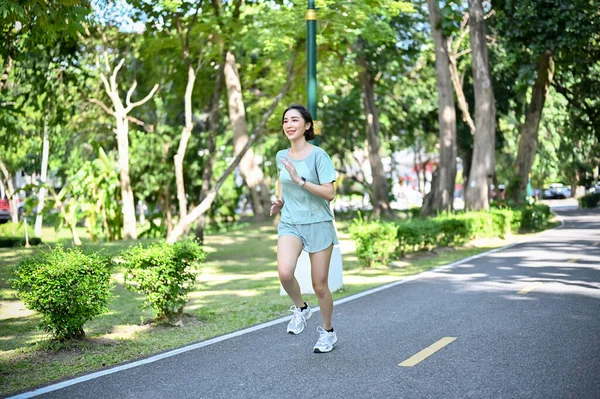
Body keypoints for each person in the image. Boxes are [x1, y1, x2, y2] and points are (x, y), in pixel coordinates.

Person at [270, 104, 339, 353]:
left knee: (319, 285)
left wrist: (301, 181)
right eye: (285, 121)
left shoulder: (319, 155)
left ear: (307, 125)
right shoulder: (281, 156)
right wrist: (280, 200)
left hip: (318, 223)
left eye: (294, 120)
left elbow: (329, 193)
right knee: (285, 272)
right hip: (290, 222)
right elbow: (282, 179)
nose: (289, 124)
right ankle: (301, 308)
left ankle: (328, 332)